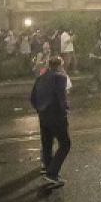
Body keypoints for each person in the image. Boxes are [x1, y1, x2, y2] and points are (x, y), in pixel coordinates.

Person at [30, 56, 70, 187]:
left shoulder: (40, 78)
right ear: (59, 65)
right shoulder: (60, 77)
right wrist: (64, 112)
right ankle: (52, 173)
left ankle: (48, 171)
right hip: (57, 117)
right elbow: (61, 98)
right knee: (65, 144)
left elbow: (32, 98)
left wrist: (40, 110)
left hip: (43, 116)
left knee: (47, 144)